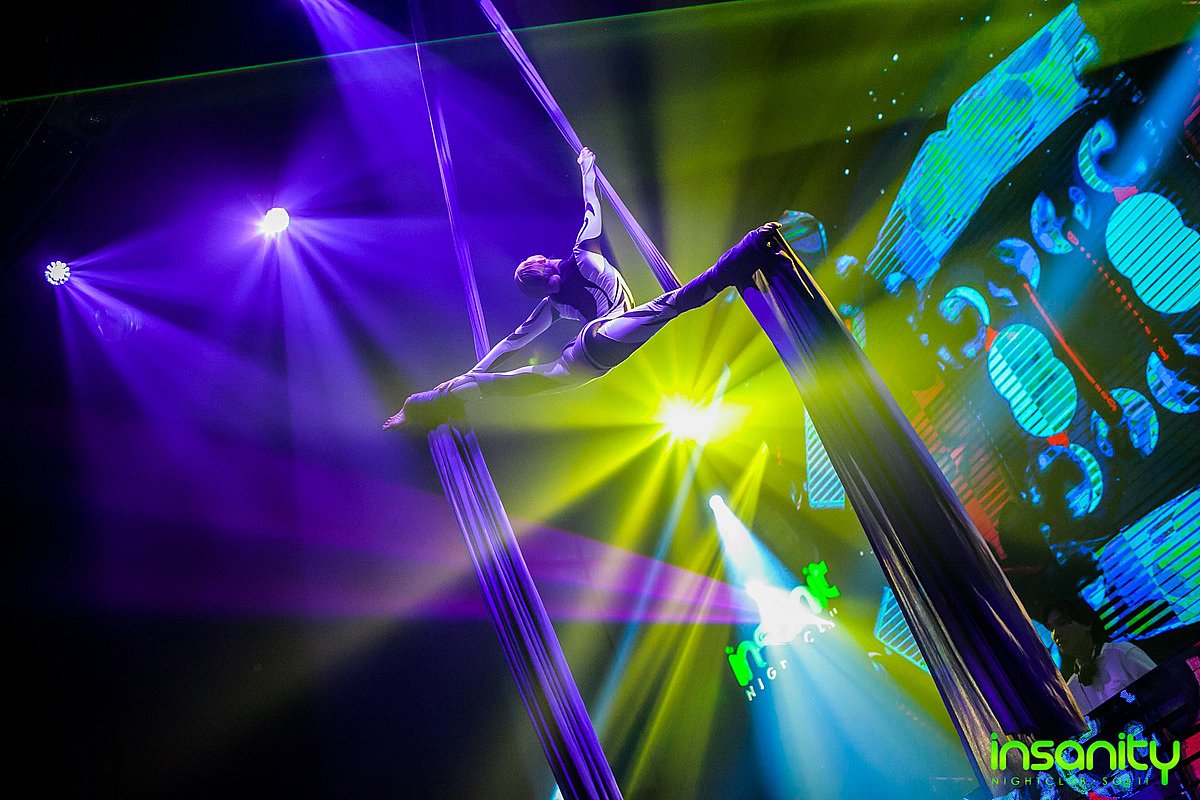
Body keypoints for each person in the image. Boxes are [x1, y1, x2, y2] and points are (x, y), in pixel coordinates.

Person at [385, 148, 786, 429]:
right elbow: (592, 206)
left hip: (578, 365)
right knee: (670, 305)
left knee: (502, 385)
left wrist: (475, 371)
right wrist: (585, 168)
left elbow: (510, 344)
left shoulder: (550, 303)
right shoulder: (581, 252)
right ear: (542, 261)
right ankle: (742, 256)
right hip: (600, 338)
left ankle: (424, 404)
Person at [1046, 595, 1156, 713]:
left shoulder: (1123, 654)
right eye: (1051, 629)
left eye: (1062, 623)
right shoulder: (1071, 689)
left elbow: (1163, 689)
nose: (1055, 634)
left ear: (1086, 623)